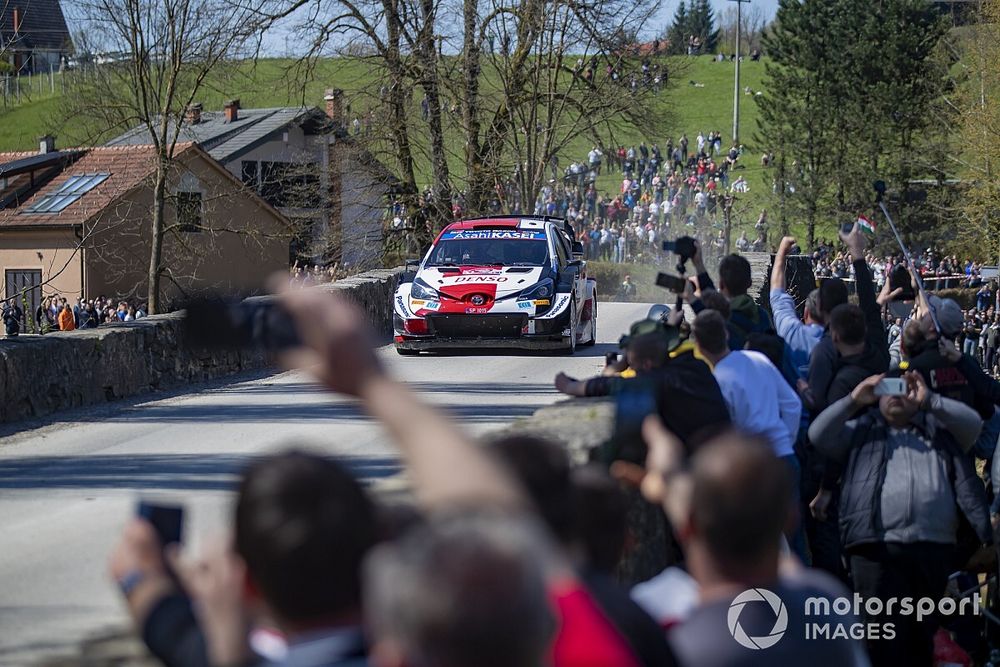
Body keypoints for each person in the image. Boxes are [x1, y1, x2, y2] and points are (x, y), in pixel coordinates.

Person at [634, 419, 869, 667]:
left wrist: (672, 479)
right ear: (791, 519)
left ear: (689, 526)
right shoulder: (827, 609)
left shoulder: (654, 620)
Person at [809, 371, 990, 667]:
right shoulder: (860, 431)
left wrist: (930, 401)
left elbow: (973, 423)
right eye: (888, 389)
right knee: (880, 637)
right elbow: (818, 434)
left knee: (921, 636)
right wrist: (854, 399)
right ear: (877, 396)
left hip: (931, 549)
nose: (895, 395)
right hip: (873, 550)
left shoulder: (939, 432)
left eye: (904, 390)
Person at [554, 323, 731, 456]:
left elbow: (608, 385)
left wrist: (569, 386)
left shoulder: (660, 380)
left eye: (634, 367)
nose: (633, 371)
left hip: (708, 458)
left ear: (647, 364)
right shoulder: (694, 365)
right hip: (727, 446)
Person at [770, 236, 824, 379]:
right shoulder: (843, 344)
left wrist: (781, 252)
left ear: (806, 313)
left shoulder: (791, 331)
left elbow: (777, 295)